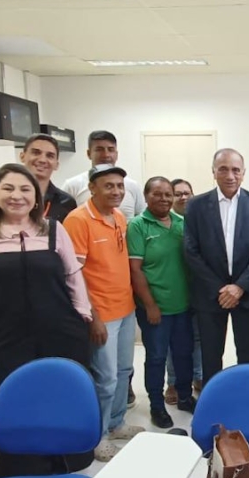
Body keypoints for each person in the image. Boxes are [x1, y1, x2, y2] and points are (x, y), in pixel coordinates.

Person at [0, 163, 93, 476]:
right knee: (11, 403)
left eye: (25, 189)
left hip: (61, 333)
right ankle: (19, 470)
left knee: (61, 398)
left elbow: (72, 274)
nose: (17, 196)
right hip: (3, 338)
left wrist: (83, 313)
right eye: (8, 188)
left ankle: (65, 467)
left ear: (36, 196)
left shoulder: (54, 229)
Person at [63, 164, 143, 461]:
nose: (116, 191)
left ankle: (116, 423)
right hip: (101, 315)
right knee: (105, 378)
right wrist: (93, 316)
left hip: (125, 308)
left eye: (120, 186)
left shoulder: (119, 217)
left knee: (124, 371)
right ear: (92, 188)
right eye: (109, 186)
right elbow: (75, 274)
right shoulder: (78, 220)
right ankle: (96, 436)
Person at [184, 149, 249, 384]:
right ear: (213, 172)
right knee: (211, 355)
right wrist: (221, 289)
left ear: (243, 173)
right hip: (211, 294)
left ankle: (246, 398)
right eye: (223, 169)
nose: (230, 175)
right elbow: (191, 251)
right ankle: (214, 401)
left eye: (235, 170)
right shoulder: (196, 205)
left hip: (248, 293)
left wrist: (240, 287)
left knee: (248, 354)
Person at [128, 177, 195, 429]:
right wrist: (150, 305)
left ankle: (185, 396)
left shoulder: (182, 223)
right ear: (146, 196)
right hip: (155, 308)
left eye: (169, 194)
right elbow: (135, 270)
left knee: (183, 355)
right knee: (156, 357)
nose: (165, 199)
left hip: (183, 306)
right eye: (158, 194)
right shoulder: (137, 225)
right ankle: (157, 405)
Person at [0, 133, 77, 223]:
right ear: (22, 156)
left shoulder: (66, 202)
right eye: (36, 152)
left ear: (56, 164)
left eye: (50, 156)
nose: (42, 159)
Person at [62, 130, 145, 220]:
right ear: (89, 154)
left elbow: (142, 221)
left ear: (116, 154)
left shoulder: (133, 186)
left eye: (111, 150)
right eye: (99, 149)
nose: (106, 155)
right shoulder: (72, 186)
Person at [167, 178, 198, 403]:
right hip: (172, 295)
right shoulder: (167, 222)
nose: (183, 197)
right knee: (174, 342)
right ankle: (174, 383)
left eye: (187, 193)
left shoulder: (198, 221)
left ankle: (198, 377)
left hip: (197, 292)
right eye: (177, 194)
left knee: (196, 338)